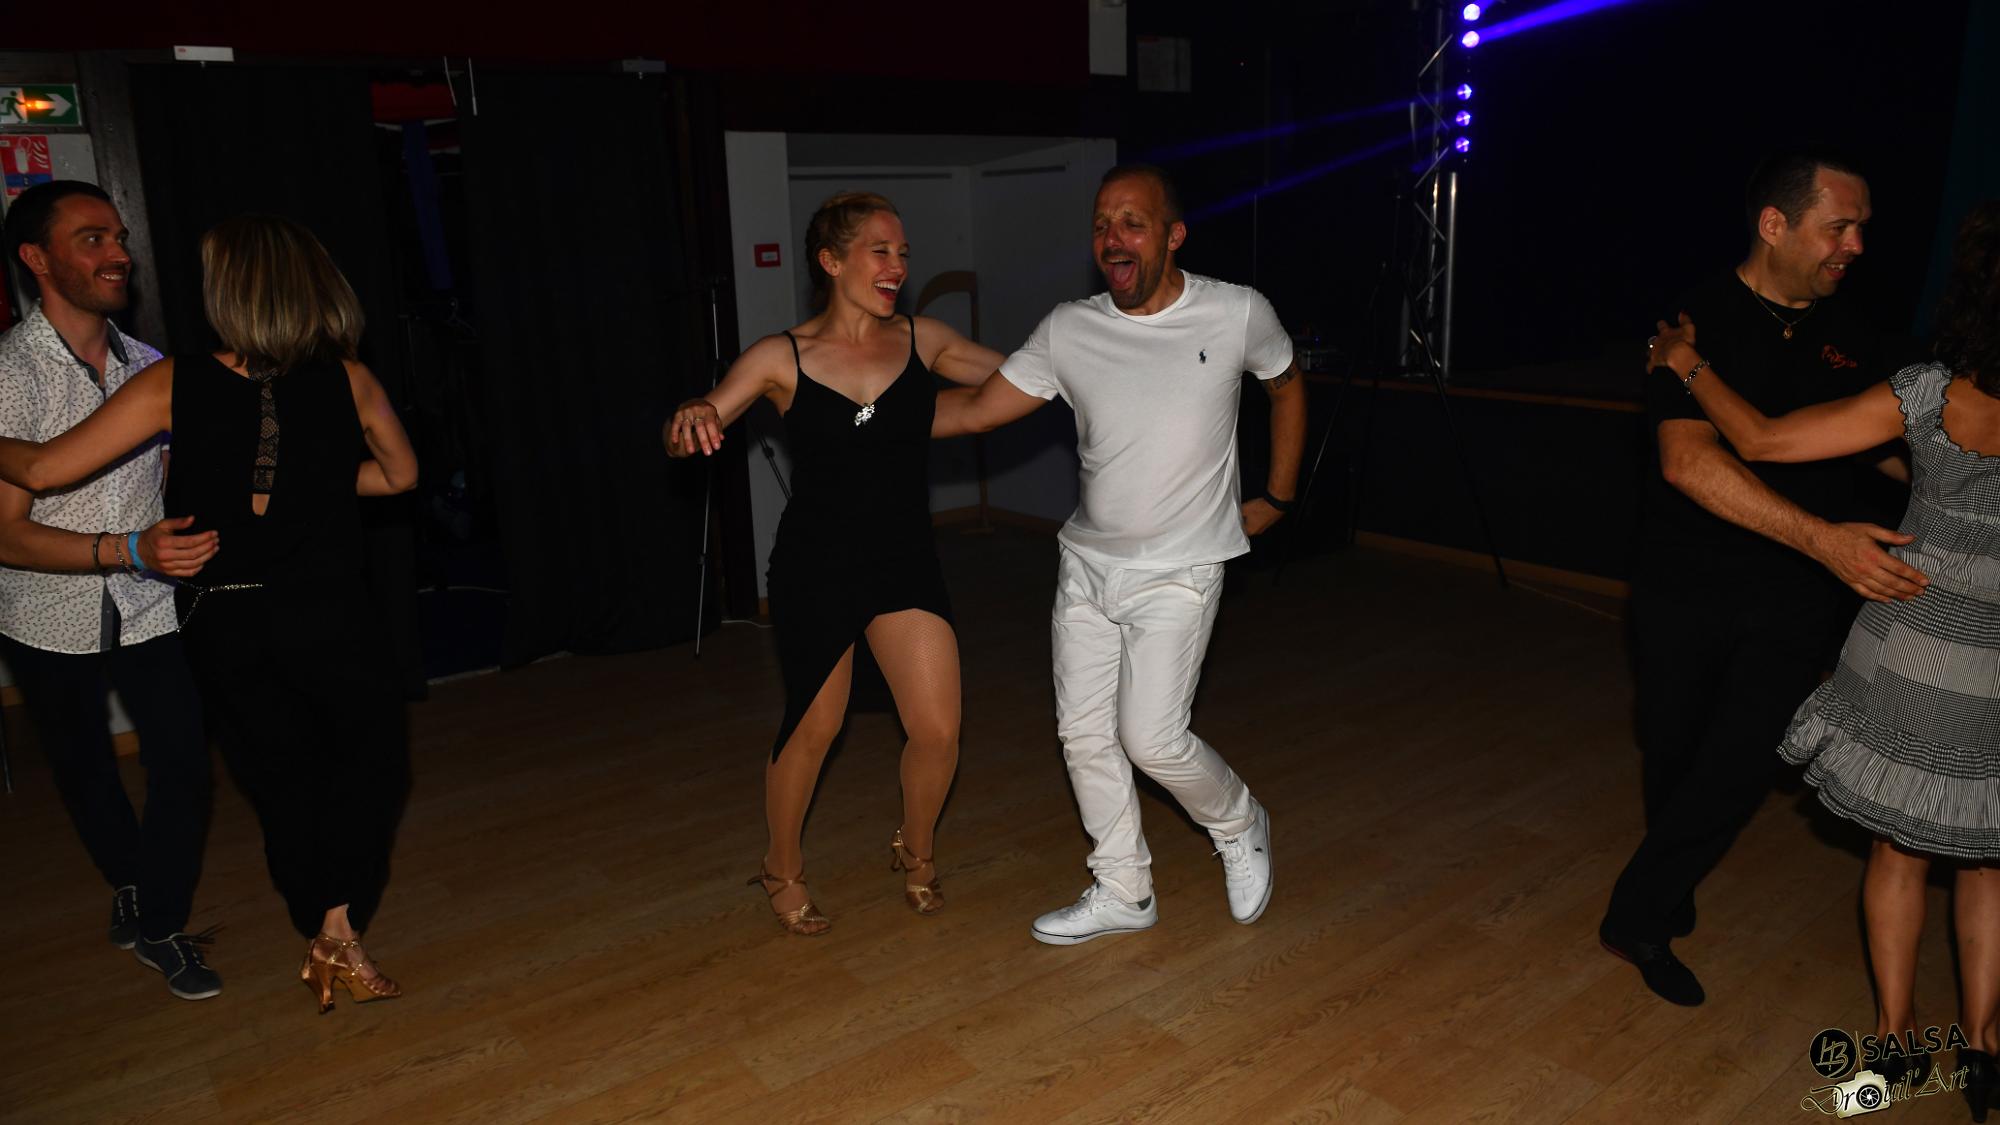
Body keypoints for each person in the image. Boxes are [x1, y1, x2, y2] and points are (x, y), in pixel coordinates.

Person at [0, 214, 419, 1013]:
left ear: (233, 292)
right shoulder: (351, 378)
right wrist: (317, 481)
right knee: (369, 770)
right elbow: (399, 477)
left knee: (283, 781)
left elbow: (46, 471)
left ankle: (328, 927)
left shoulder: (167, 381)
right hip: (332, 615)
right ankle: (336, 926)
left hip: (230, 623)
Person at [1650, 199, 2000, 1115]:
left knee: (1899, 851)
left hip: (1912, 639)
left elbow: (1761, 440)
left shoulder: (1928, 393)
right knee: (1989, 858)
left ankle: (1894, 1041)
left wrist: (1687, 365)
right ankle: (1986, 1049)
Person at [930, 164, 1307, 945]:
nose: (1112, 239)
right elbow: (977, 408)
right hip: (1087, 566)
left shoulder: (1236, 312)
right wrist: (864, 417)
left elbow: (1286, 384)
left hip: (1180, 570)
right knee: (1083, 734)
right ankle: (1124, 886)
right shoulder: (1070, 329)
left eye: (1133, 222)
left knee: (1153, 738)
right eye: (1102, 224)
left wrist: (1276, 495)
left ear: (1174, 235)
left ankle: (1239, 821)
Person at [1600, 150, 1923, 1008]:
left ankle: (1637, 916)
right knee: (1674, 750)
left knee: (1745, 760)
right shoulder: (1693, 322)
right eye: (1839, 227)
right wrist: (1824, 539)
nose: (1856, 246)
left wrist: (1951, 482)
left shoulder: (1854, 334)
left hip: (1796, 596)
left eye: (1862, 229)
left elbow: (1877, 445)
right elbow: (1688, 463)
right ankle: (1669, 876)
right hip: (1685, 584)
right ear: (1774, 224)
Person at [666, 192, 1003, 936]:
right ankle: (780, 866)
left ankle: (917, 849)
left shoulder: (923, 339)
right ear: (831, 260)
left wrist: (1091, 360)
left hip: (903, 557)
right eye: (880, 250)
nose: (897, 265)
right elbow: (698, 419)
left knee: (939, 728)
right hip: (816, 563)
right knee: (816, 725)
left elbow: (1021, 376)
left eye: (903, 253)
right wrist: (690, 415)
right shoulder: (781, 356)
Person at [0, 181, 223, 1000]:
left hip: (148, 600)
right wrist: (126, 548)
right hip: (43, 607)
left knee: (183, 762)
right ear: (36, 258)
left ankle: (159, 920)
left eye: (119, 237)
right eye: (92, 238)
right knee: (84, 767)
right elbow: (5, 533)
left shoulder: (149, 365)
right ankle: (129, 882)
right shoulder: (9, 373)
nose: (118, 253)